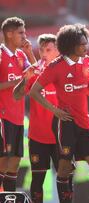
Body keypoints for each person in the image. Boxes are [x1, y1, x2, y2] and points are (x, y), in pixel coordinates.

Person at [29, 24, 89, 203]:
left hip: (85, 124)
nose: (86, 46)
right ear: (71, 45)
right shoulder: (56, 67)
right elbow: (34, 91)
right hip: (66, 123)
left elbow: (87, 91)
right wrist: (55, 110)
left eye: (87, 42)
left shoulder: (87, 62)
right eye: (82, 43)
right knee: (64, 169)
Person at [12, 33, 75, 203]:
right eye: (41, 49)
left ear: (58, 51)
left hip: (61, 136)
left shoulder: (66, 69)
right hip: (38, 136)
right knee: (37, 180)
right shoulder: (34, 70)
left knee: (66, 179)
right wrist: (25, 80)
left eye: (48, 49)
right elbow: (16, 96)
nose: (44, 53)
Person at [0, 16, 35, 191]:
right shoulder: (0, 54)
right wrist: (18, 81)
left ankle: (9, 198)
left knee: (14, 163)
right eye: (21, 32)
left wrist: (30, 53)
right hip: (3, 116)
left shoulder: (21, 55)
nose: (24, 35)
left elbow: (37, 76)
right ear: (9, 33)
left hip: (18, 118)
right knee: (3, 160)